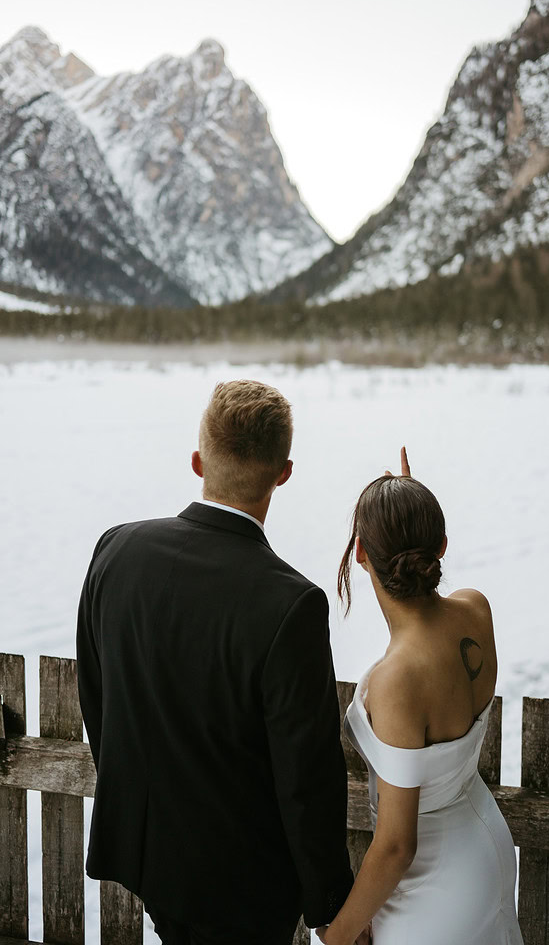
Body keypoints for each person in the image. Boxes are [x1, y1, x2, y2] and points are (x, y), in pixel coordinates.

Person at [76, 378, 353, 945]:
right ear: (283, 473)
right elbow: (307, 778)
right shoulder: (291, 603)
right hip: (245, 887)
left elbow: (96, 698)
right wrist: (330, 902)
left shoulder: (117, 551)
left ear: (199, 460)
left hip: (148, 859)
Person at [317, 449, 523, 945]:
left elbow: (395, 847)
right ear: (442, 547)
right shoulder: (475, 609)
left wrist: (337, 936)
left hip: (434, 887)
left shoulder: (396, 681)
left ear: (361, 554)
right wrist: (409, 509)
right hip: (486, 848)